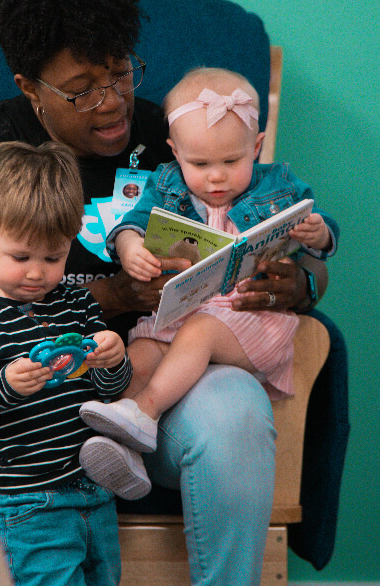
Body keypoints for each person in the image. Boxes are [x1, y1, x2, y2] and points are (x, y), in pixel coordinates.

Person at [0, 0, 331, 586]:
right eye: (81, 91)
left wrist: (296, 283)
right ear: (30, 88)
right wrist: (113, 298)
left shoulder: (174, 137)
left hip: (148, 392)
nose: (111, 102)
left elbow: (270, 229)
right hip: (30, 410)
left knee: (236, 408)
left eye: (121, 73)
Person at [79, 67, 336, 463]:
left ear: (256, 147)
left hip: (250, 320)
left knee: (201, 330)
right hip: (180, 316)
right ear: (175, 152)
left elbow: (315, 227)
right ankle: (127, 452)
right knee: (141, 354)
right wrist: (130, 248)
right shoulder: (167, 184)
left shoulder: (279, 186)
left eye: (231, 161)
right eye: (199, 164)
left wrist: (319, 235)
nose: (216, 177)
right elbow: (134, 223)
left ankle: (145, 411)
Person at [0, 140, 132, 586]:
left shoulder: (78, 304)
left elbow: (109, 391)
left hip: (94, 493)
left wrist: (111, 359)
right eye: (21, 257)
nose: (36, 273)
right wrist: (5, 383)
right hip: (28, 501)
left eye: (53, 258)